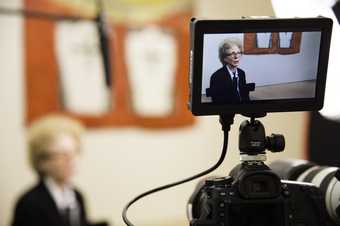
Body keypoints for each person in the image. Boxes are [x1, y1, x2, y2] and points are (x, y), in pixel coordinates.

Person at [12, 114, 107, 226]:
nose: (71, 160)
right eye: (62, 155)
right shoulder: (29, 203)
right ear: (42, 161)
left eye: (75, 152)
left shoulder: (77, 196)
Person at [207, 38, 252, 104]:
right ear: (224, 58)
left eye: (238, 53)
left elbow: (245, 95)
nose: (236, 57)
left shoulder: (241, 73)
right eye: (232, 54)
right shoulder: (216, 76)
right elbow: (216, 102)